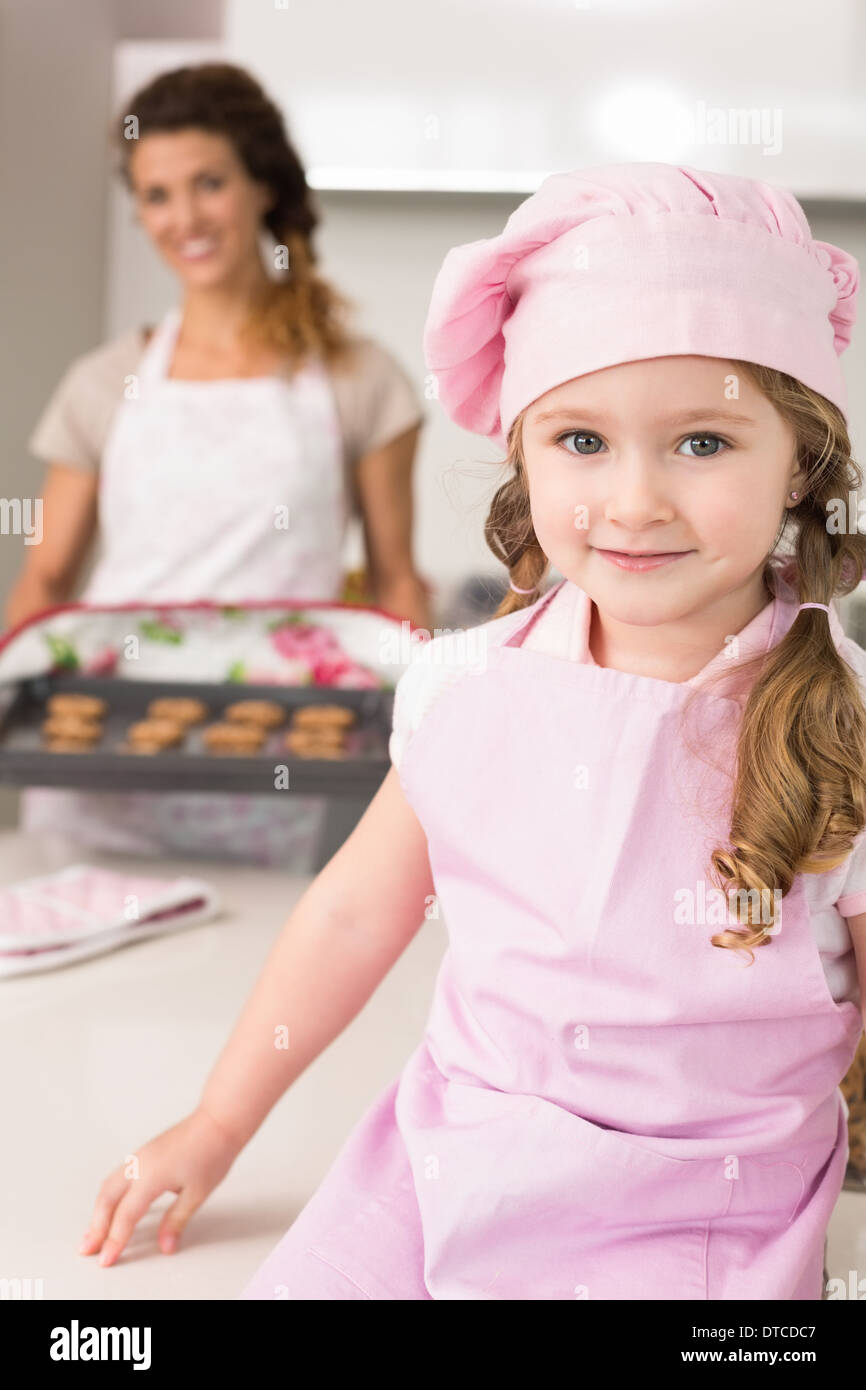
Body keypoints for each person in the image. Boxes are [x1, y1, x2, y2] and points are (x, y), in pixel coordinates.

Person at [78, 163, 866, 1299]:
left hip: (705, 1201)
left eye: (702, 442)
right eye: (579, 442)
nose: (633, 501)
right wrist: (215, 1123)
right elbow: (353, 912)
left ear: (800, 460)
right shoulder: (462, 686)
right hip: (449, 1149)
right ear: (523, 456)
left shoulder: (841, 713)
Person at [6, 62, 430, 868]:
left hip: (273, 750)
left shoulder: (360, 378)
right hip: (102, 746)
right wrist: (19, 707)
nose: (184, 217)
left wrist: (427, 731)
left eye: (209, 183)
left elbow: (395, 583)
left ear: (261, 185)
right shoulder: (105, 381)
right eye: (156, 195)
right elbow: (47, 580)